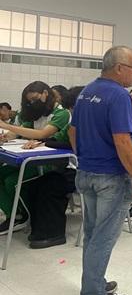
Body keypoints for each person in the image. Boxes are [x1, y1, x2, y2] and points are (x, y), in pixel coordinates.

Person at [69, 46, 132, 295]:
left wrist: (85, 156)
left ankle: (96, 283)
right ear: (119, 68)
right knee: (103, 237)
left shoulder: (86, 91)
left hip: (86, 173)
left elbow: (73, 130)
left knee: (93, 234)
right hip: (110, 178)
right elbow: (123, 140)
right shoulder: (119, 95)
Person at [0, 81, 70, 233]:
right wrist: (5, 137)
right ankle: (14, 214)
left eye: (35, 99)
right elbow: (20, 131)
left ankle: (24, 215)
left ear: (46, 93)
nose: (32, 103)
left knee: (12, 182)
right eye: (29, 101)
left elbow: (43, 134)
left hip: (51, 163)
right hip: (31, 159)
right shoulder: (36, 113)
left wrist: (7, 126)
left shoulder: (61, 114)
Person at [22, 85, 84, 249]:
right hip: (70, 168)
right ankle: (39, 230)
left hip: (85, 172)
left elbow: (81, 150)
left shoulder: (90, 126)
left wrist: (72, 138)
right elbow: (58, 137)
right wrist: (41, 142)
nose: (71, 112)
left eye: (73, 108)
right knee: (35, 185)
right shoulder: (72, 124)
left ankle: (54, 234)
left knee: (51, 187)